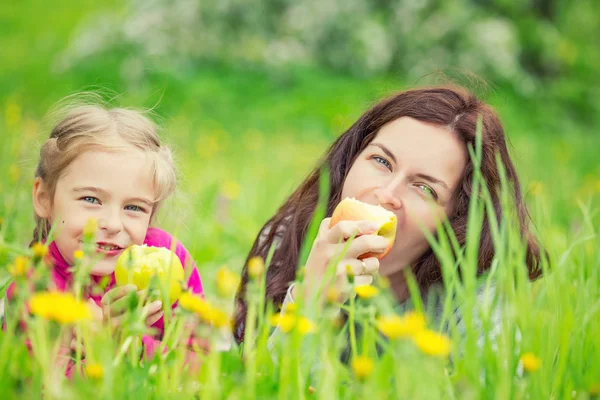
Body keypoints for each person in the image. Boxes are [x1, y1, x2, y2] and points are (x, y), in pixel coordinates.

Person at [234, 85, 542, 344]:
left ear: (456, 221)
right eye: (381, 161)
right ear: (351, 159)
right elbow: (262, 385)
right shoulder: (286, 242)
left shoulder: (473, 301)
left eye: (424, 188)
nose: (387, 194)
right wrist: (310, 302)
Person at [6, 104, 204, 363]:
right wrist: (101, 347)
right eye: (91, 199)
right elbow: (43, 387)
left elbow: (202, 368)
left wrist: (128, 340)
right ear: (44, 198)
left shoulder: (168, 261)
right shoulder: (34, 287)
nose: (113, 224)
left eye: (133, 207)